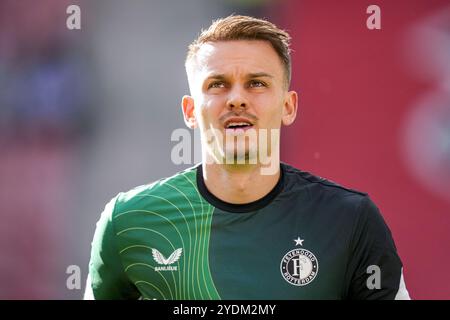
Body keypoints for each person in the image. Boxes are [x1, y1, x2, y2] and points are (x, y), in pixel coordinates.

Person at [85, 15, 410, 300]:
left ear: (288, 106)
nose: (237, 99)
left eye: (256, 83)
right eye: (217, 84)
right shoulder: (128, 221)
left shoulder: (351, 220)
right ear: (190, 111)